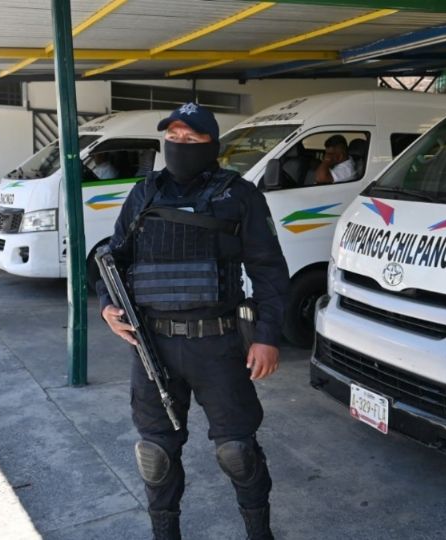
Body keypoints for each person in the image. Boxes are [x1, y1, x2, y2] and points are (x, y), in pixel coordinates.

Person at [97, 102, 289, 540]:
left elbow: (269, 270)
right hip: (152, 345)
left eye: (191, 138)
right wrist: (108, 304)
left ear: (211, 144)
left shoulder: (238, 195)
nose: (179, 145)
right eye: (174, 137)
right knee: (155, 455)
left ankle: (260, 533)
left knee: (237, 451)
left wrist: (266, 336)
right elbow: (114, 256)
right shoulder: (144, 192)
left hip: (218, 345)